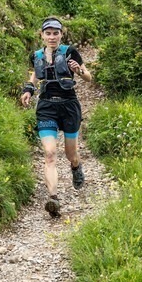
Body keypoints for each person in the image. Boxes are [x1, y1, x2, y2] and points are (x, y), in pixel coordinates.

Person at [19, 16, 93, 218]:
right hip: (47, 106)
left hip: (69, 106)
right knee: (50, 153)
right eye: (48, 33)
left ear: (61, 34)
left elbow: (88, 76)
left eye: (56, 33)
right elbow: (35, 74)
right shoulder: (36, 55)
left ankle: (76, 167)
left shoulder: (70, 52)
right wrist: (28, 90)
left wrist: (79, 71)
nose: (52, 37)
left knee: (71, 154)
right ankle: (53, 198)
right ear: (42, 35)